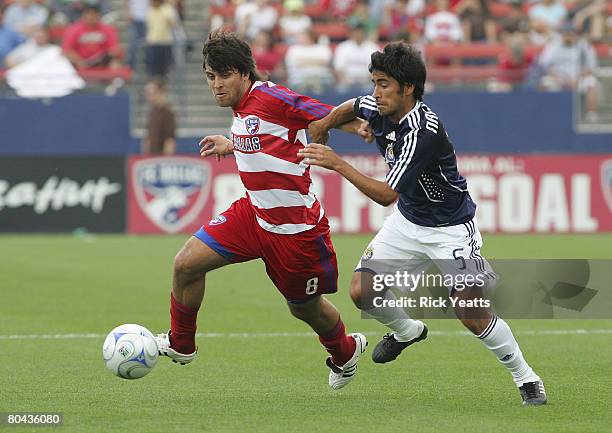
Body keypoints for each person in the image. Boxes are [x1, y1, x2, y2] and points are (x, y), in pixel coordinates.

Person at [302, 42, 547, 405]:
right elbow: (352, 107)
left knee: (471, 311)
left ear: (408, 88)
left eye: (384, 84)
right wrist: (324, 124)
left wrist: (336, 161)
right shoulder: (378, 106)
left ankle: (526, 377)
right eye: (374, 82)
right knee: (361, 292)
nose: (376, 92)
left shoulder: (422, 131)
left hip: (450, 229)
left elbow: (386, 194)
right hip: (408, 222)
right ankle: (407, 330)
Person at [154, 31, 367, 390]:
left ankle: (345, 351)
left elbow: (323, 115)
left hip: (294, 231)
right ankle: (181, 344)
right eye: (210, 77)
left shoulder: (271, 95)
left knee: (304, 308)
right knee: (186, 264)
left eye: (223, 76)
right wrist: (232, 142)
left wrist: (358, 126)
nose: (216, 85)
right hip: (252, 216)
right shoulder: (243, 108)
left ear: (244, 74)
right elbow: (263, 137)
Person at [62, 3, 121, 68]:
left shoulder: (108, 29)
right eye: (89, 13)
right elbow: (66, 50)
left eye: (94, 14)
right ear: (83, 15)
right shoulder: (73, 29)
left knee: (115, 64)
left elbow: (114, 49)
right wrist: (79, 61)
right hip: (78, 63)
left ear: (99, 15)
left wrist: (106, 57)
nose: (91, 16)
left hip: (102, 63)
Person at [141, 79, 176, 154]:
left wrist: (164, 161)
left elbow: (169, 141)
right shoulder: (152, 112)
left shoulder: (168, 113)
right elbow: (148, 137)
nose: (148, 98)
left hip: (160, 160)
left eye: (150, 94)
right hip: (150, 158)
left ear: (160, 93)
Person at [145, 0, 175, 79]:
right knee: (152, 69)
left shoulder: (167, 9)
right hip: (152, 43)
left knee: (164, 69)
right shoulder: (150, 10)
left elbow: (173, 23)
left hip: (165, 43)